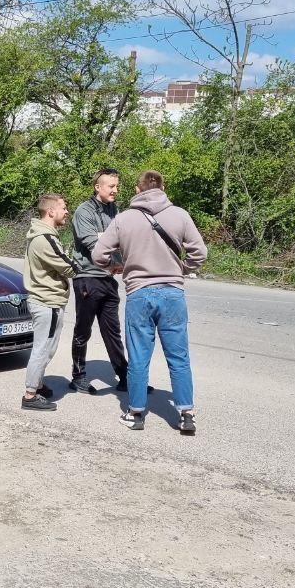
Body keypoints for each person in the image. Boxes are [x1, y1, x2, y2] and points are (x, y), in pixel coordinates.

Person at [92, 170, 206, 435]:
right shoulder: (180, 215)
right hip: (172, 294)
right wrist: (182, 269)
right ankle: (186, 415)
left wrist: (115, 265)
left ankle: (135, 413)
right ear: (163, 187)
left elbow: (98, 254)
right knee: (179, 357)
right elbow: (200, 253)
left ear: (137, 189)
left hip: (140, 293)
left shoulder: (124, 219)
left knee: (139, 357)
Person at [69, 167, 129, 394]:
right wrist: (108, 239)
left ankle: (125, 376)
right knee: (83, 330)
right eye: (111, 186)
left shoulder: (115, 210)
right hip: (87, 278)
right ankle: (78, 376)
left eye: (117, 186)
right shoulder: (84, 211)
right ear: (98, 187)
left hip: (108, 278)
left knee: (112, 330)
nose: (115, 190)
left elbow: (119, 241)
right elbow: (93, 244)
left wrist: (112, 247)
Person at [21, 194, 75, 411]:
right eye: (64, 207)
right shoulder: (46, 239)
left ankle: (38, 384)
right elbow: (69, 267)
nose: (67, 211)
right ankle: (30, 395)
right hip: (47, 302)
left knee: (47, 347)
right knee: (43, 349)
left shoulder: (42, 235)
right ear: (51, 211)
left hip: (46, 300)